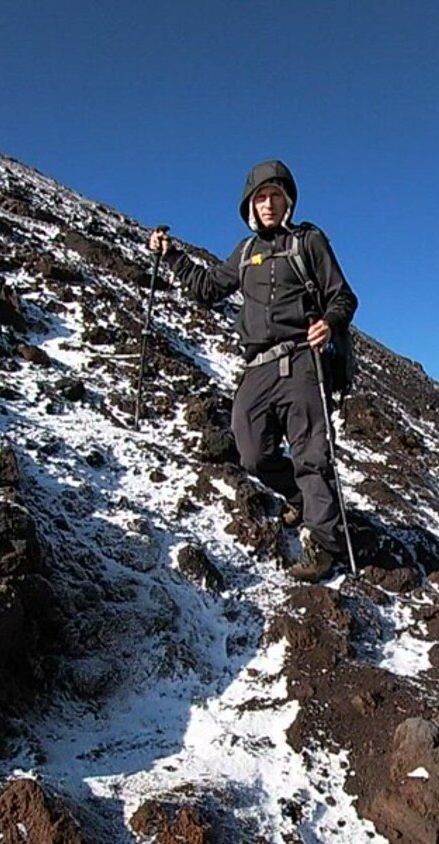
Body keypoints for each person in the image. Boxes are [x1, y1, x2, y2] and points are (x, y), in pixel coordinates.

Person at [149, 160, 357, 583]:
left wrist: (328, 324)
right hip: (258, 366)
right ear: (250, 204)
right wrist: (172, 256)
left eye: (276, 196)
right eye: (261, 197)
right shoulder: (244, 253)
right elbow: (206, 289)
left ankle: (323, 544)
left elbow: (343, 297)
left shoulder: (308, 241)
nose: (268, 203)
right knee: (252, 453)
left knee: (312, 454)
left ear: (288, 201)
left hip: (302, 358)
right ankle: (301, 496)